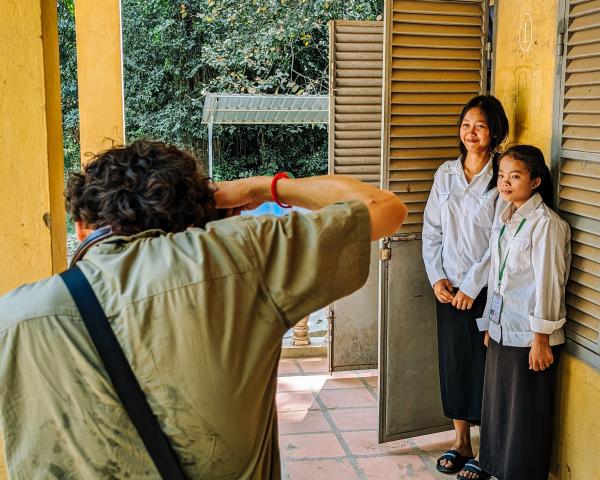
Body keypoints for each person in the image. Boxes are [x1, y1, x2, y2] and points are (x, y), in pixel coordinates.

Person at [0, 139, 407, 479]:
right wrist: (263, 188)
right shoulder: (238, 257)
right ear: (197, 213)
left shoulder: (13, 317)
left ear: (81, 226)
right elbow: (382, 207)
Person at [471, 145, 571, 480]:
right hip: (503, 330)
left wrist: (540, 339)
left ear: (536, 180)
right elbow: (499, 277)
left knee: (523, 419)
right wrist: (490, 325)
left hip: (530, 337)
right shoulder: (507, 218)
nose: (505, 182)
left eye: (515, 176)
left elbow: (548, 284)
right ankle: (495, 468)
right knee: (499, 410)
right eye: (501, 175)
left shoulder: (547, 225)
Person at [422, 95, 509, 475]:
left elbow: (499, 241)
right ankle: (460, 441)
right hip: (448, 288)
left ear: (494, 132)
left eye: (480, 125)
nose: (471, 132)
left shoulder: (502, 176)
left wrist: (472, 287)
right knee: (454, 364)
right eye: (466, 124)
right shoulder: (445, 174)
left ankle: (487, 449)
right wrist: (437, 277)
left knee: (487, 369)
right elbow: (431, 231)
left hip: (485, 290)